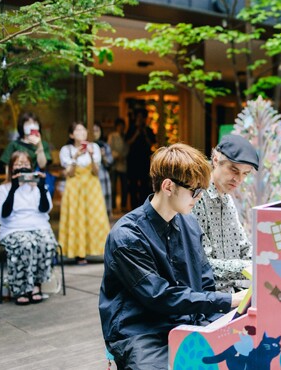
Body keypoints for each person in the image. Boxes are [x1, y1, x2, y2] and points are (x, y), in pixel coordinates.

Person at [99, 143, 248, 370]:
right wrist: (231, 300)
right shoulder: (127, 236)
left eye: (202, 190)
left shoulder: (189, 224)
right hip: (141, 329)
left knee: (245, 351)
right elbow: (160, 296)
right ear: (168, 186)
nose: (199, 197)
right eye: (194, 191)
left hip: (188, 319)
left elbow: (205, 281)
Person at [192, 134, 259, 293]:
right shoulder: (196, 197)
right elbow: (202, 264)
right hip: (208, 299)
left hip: (232, 294)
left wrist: (266, 262)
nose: (238, 179)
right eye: (234, 170)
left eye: (245, 173)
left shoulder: (227, 199)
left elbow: (243, 247)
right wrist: (251, 267)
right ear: (215, 160)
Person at [0, 151, 57, 305]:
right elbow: (5, 214)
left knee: (47, 242)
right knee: (25, 244)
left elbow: (45, 209)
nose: (22, 167)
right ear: (11, 168)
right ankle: (20, 288)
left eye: (26, 164)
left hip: (39, 226)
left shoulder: (37, 187)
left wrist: (41, 188)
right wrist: (14, 189)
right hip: (13, 229)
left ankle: (36, 285)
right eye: (18, 164)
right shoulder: (1, 190)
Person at [59, 122, 110, 264]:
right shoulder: (66, 150)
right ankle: (79, 254)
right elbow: (69, 173)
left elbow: (96, 172)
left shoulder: (94, 147)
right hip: (74, 187)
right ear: (71, 135)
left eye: (83, 130)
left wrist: (92, 156)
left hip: (92, 187)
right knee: (76, 218)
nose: (82, 132)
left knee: (96, 218)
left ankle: (101, 250)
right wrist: (75, 157)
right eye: (78, 130)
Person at [126, 109, 156, 209]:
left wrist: (144, 133)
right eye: (138, 117)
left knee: (144, 184)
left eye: (142, 117)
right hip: (133, 160)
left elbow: (151, 143)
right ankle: (133, 207)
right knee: (133, 184)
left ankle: (143, 206)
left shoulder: (148, 130)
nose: (140, 119)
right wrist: (136, 133)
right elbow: (127, 142)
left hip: (144, 161)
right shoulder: (131, 129)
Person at [107, 117, 129, 212]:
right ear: (116, 126)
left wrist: (123, 156)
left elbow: (127, 148)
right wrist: (117, 155)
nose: (121, 127)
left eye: (122, 126)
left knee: (124, 186)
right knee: (113, 186)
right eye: (119, 126)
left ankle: (123, 205)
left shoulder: (125, 137)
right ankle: (113, 206)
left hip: (123, 163)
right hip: (114, 164)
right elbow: (109, 148)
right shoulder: (112, 136)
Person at [93, 121, 114, 217]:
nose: (95, 133)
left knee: (104, 199)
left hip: (102, 175)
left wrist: (103, 156)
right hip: (91, 176)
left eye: (97, 130)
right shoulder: (87, 145)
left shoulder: (104, 145)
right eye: (92, 131)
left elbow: (110, 163)